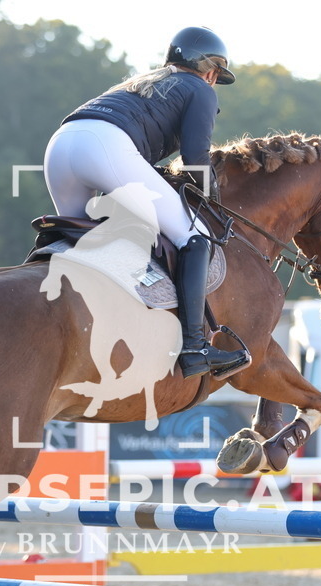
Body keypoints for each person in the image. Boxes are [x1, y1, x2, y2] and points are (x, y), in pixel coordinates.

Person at [43, 26, 248, 379]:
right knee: (195, 237)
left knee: (76, 238)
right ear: (209, 69)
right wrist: (213, 197)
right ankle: (195, 347)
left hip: (61, 145)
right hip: (105, 146)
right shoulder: (199, 88)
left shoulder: (139, 84)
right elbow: (196, 158)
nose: (214, 80)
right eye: (216, 73)